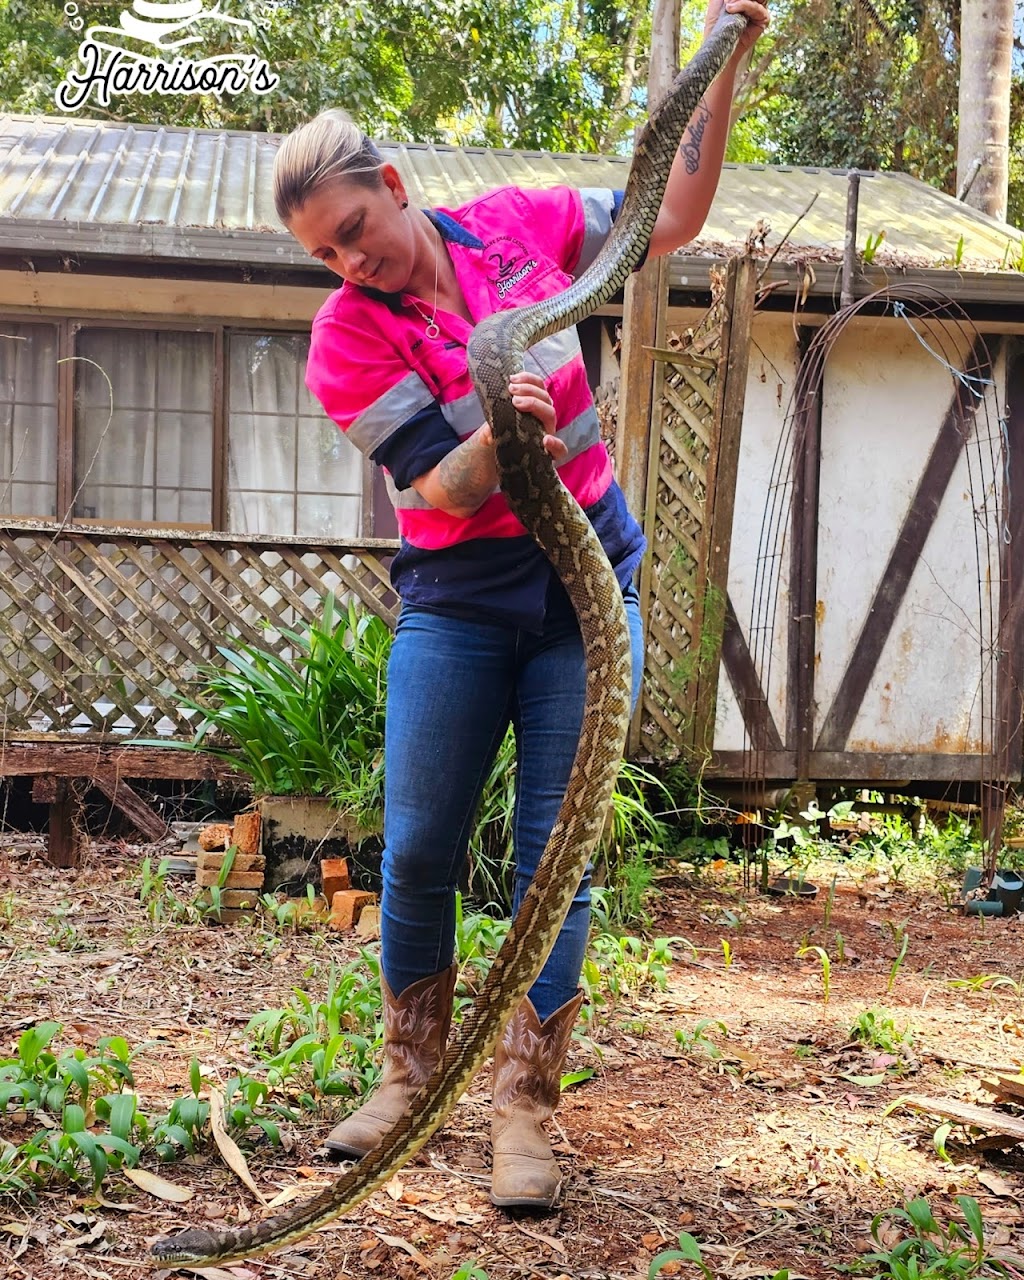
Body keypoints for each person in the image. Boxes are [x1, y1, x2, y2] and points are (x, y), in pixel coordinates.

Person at [273, 0, 768, 1211]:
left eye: (354, 231)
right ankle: (408, 1070)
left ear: (392, 185)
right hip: (458, 602)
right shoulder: (345, 341)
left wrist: (725, 63)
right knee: (425, 843)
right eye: (325, 255)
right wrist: (499, 441)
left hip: (587, 589)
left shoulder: (518, 230)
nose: (350, 263)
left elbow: (672, 214)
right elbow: (436, 488)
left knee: (562, 855)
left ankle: (522, 1109)